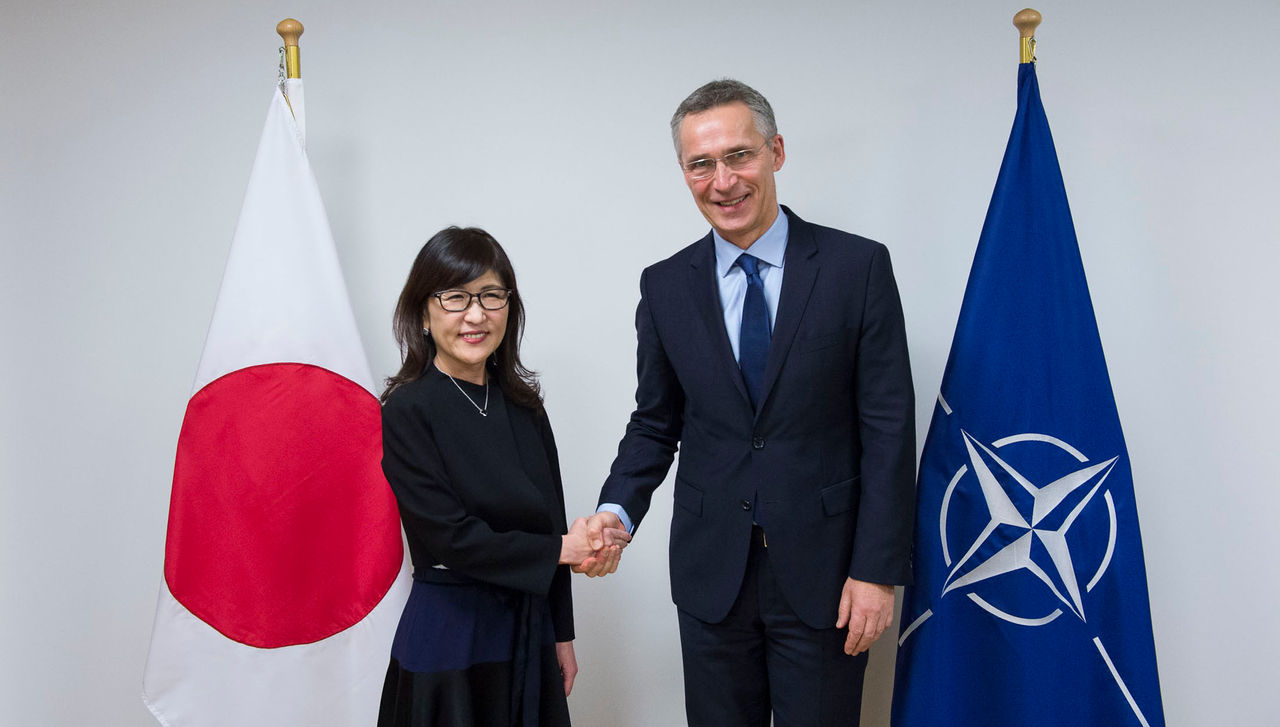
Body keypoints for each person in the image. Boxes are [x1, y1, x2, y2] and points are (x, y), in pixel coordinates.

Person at [582, 80, 917, 726]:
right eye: (701, 163)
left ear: (776, 152)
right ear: (683, 172)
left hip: (827, 579)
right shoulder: (664, 286)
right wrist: (616, 510)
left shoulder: (857, 269)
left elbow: (889, 429)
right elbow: (655, 422)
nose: (723, 180)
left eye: (739, 155)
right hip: (713, 579)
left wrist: (877, 570)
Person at [377, 226, 627, 727]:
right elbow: (452, 538)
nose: (476, 315)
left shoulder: (524, 407)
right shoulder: (406, 409)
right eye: (455, 297)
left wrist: (562, 634)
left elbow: (551, 521)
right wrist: (565, 548)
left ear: (509, 309)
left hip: (527, 631)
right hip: (451, 636)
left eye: (491, 296)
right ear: (423, 313)